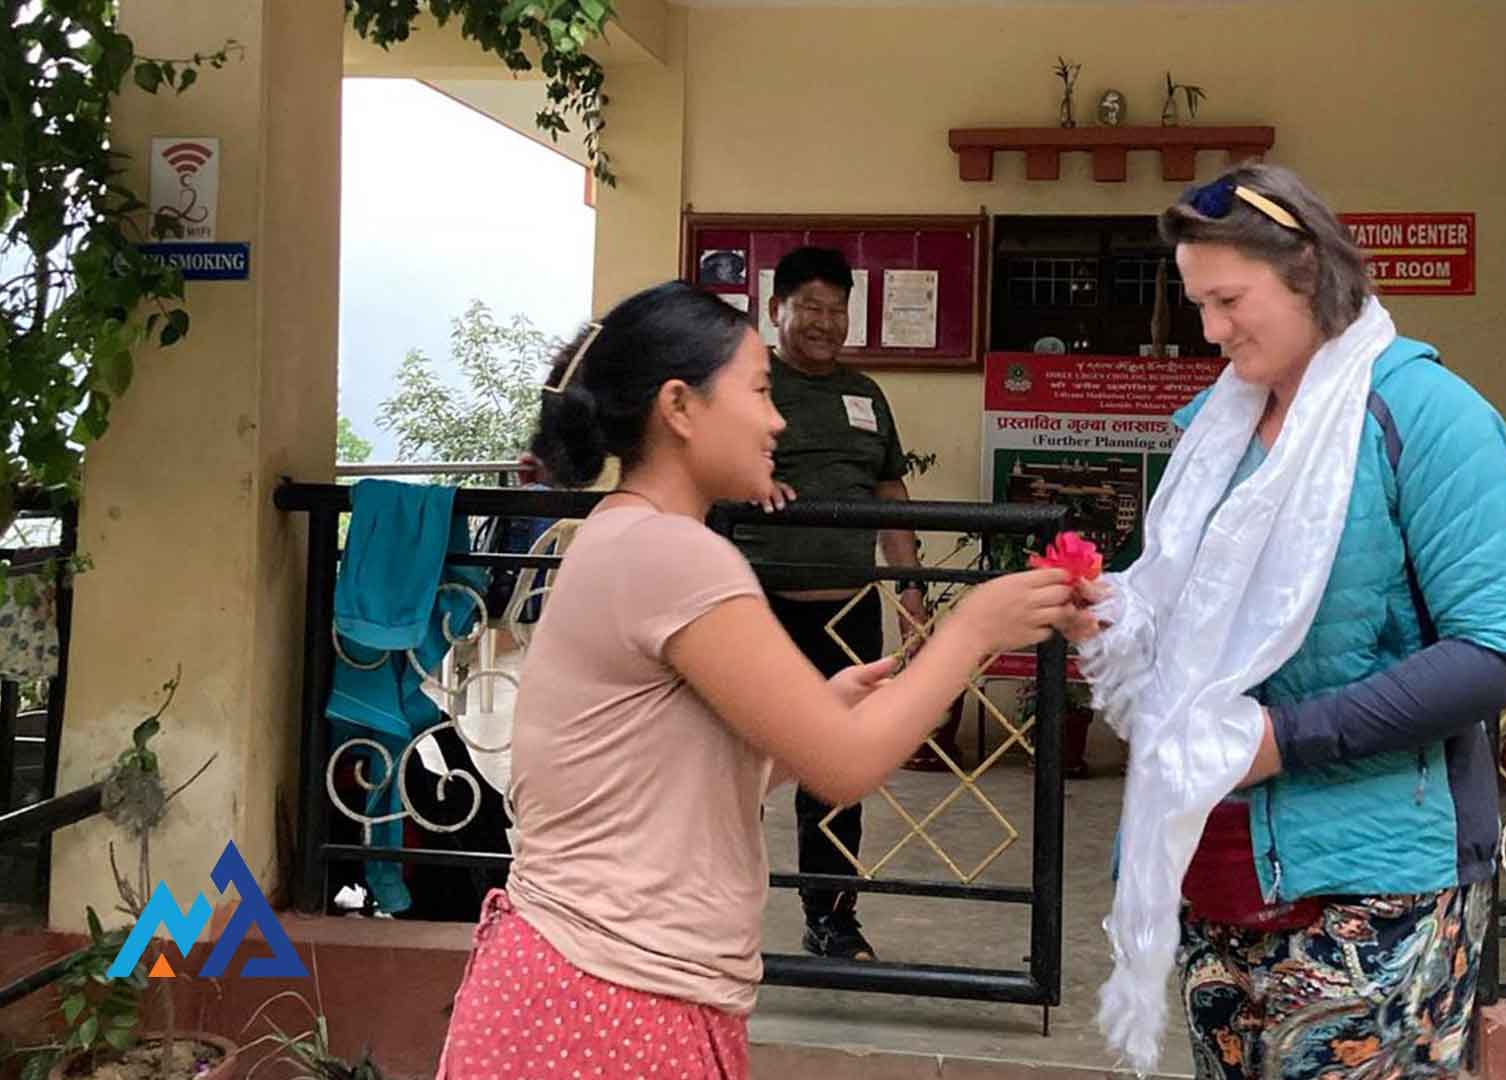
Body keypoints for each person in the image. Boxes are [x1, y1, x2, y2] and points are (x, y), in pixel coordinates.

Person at [434, 282, 1086, 1079]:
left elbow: (663, 778)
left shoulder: (626, 536)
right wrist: (974, 628)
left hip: (588, 986)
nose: (777, 419)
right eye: (757, 391)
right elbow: (846, 766)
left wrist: (825, 710)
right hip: (613, 1003)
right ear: (680, 407)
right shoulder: (676, 556)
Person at [1069, 165, 1506, 1079]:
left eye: (1230, 299)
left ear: (1311, 274)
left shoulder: (1429, 416)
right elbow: (1190, 613)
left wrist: (1283, 740)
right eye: (1197, 303)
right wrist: (1116, 620)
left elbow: (1493, 655)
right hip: (1213, 862)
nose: (1210, 329)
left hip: (1375, 880)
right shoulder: (1217, 423)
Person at [732, 245, 930, 962]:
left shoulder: (866, 395)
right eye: (808, 308)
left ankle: (832, 919)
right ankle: (717, 907)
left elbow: (891, 496)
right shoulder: (750, 384)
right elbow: (710, 466)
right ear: (776, 310)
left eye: (836, 310)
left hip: (849, 613)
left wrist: (911, 585)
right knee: (735, 765)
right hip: (759, 609)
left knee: (838, 769)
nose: (824, 322)